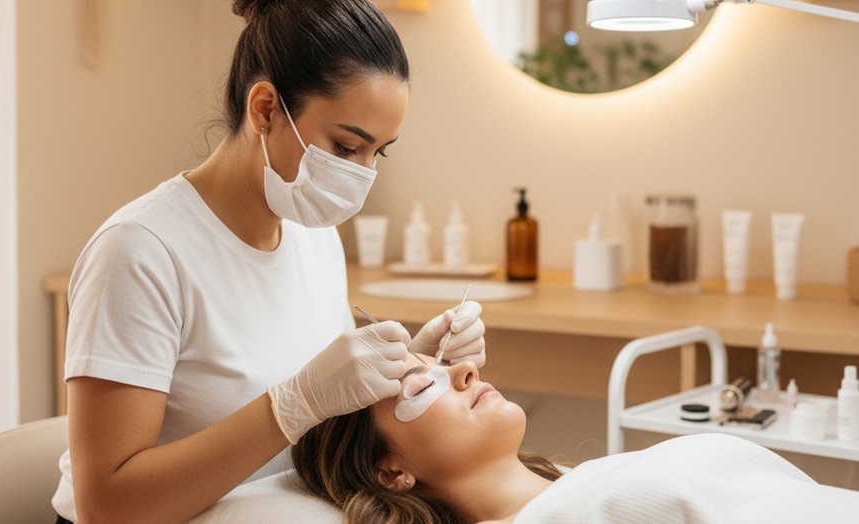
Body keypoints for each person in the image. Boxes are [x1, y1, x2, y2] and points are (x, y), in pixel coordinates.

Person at [52, 1, 486, 522]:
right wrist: (290, 407)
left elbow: (326, 414)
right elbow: (107, 505)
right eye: (348, 148)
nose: (363, 176)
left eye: (380, 153)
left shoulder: (313, 236)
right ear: (264, 109)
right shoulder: (140, 251)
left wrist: (407, 371)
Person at [293, 353, 859, 524]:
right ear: (390, 473)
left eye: (441, 361)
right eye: (422, 382)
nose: (464, 371)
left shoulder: (579, 487)